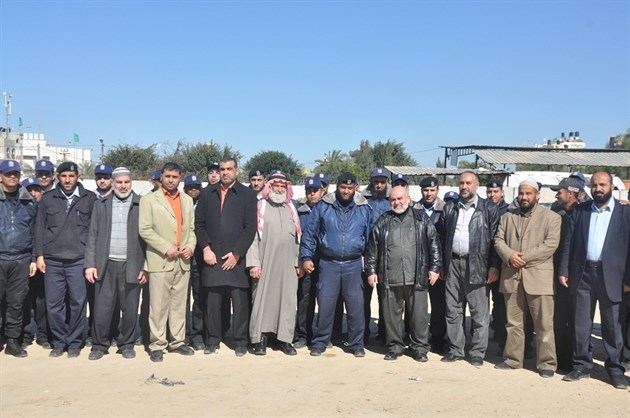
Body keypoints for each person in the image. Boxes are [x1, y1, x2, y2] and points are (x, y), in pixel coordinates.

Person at [559, 172, 630, 390]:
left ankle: (615, 369)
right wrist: (564, 270)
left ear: (612, 186)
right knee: (581, 324)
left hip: (613, 277)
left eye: (602, 185)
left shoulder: (625, 212)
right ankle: (581, 365)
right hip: (583, 274)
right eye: (594, 185)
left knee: (612, 325)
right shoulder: (580, 210)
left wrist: (628, 278)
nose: (598, 188)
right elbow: (569, 242)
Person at [364, 186, 442, 361]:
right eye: (393, 199)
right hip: (390, 277)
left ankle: (419, 347)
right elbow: (372, 248)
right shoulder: (383, 221)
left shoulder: (421, 219)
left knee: (419, 316)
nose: (396, 202)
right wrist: (371, 270)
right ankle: (395, 346)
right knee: (391, 317)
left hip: (416, 276)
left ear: (408, 199)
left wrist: (434, 268)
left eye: (400, 198)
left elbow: (434, 244)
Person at [301, 172, 373, 357]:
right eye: (343, 187)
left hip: (354, 264)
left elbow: (370, 239)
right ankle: (320, 342)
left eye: (350, 188)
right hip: (328, 263)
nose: (346, 191)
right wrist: (306, 257)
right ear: (337, 186)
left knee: (356, 306)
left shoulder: (364, 208)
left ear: (355, 187)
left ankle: (356, 344)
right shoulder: (324, 206)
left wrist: (371, 267)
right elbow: (310, 233)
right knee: (326, 305)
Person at [494, 180, 561, 378]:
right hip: (512, 277)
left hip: (539, 277)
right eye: (521, 193)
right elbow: (498, 240)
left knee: (544, 324)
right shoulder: (507, 217)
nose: (524, 197)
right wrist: (509, 255)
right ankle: (513, 359)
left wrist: (523, 258)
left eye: (528, 193)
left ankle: (547, 363)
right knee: (513, 323)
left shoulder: (552, 218)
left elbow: (550, 245)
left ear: (537, 195)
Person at [194, 157, 257, 357]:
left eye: (229, 169)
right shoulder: (207, 193)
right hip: (212, 257)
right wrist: (206, 249)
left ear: (237, 171)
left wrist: (237, 253)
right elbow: (199, 224)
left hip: (237, 258)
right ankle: (213, 340)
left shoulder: (247, 194)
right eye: (222, 169)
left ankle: (240, 341)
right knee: (212, 303)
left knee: (240, 304)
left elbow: (250, 227)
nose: (225, 172)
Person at [437, 171, 500, 366]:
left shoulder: (488, 208)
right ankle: (456, 350)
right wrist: (441, 264)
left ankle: (477, 353)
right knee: (453, 310)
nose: (464, 187)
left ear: (477, 185)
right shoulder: (450, 207)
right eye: (461, 183)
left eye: (468, 183)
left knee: (479, 312)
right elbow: (441, 238)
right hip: (453, 264)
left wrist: (494, 266)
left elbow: (495, 240)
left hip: (478, 265)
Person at [34, 161, 97, 358]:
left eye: (71, 176)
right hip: (52, 260)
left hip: (78, 260)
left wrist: (91, 260)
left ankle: (75, 342)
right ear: (57, 177)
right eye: (63, 176)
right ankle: (59, 342)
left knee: (78, 302)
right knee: (54, 304)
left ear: (78, 177)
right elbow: (39, 228)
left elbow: (94, 232)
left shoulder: (89, 198)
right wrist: (39, 255)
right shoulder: (48, 198)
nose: (67, 180)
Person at [84, 167, 147, 360]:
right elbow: (92, 235)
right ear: (112, 183)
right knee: (102, 309)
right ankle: (99, 345)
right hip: (106, 264)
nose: (123, 186)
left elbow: (148, 238)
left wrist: (145, 267)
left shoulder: (141, 204)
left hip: (132, 264)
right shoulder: (101, 205)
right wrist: (90, 264)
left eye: (127, 182)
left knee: (130, 309)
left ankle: (126, 344)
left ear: (131, 183)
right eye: (119, 182)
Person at [139, 162, 196, 362]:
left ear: (180, 178)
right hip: (161, 259)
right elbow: (145, 229)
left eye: (175, 177)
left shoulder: (187, 200)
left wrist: (190, 246)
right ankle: (157, 344)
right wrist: (166, 247)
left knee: (179, 305)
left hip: (182, 260)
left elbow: (191, 229)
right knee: (158, 306)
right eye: (167, 176)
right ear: (161, 177)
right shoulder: (149, 200)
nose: (171, 180)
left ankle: (177, 342)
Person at [247, 172, 302, 356]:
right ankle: (260, 339)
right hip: (265, 261)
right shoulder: (260, 207)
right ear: (269, 186)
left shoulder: (291, 208)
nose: (279, 189)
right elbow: (252, 237)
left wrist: (298, 261)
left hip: (288, 263)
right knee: (262, 298)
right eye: (276, 185)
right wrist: (254, 263)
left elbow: (298, 237)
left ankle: (284, 339)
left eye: (282, 186)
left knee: (287, 300)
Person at [0, 160, 38, 357]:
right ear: (1, 176)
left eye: (15, 173)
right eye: (8, 174)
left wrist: (33, 258)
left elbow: (35, 232)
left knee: (16, 303)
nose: (12, 177)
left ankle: (12, 341)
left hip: (21, 259)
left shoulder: (28, 201)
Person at [549, 177, 581, 372]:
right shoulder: (556, 213)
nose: (556, 196)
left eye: (559, 192)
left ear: (570, 194)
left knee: (577, 320)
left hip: (578, 275)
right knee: (559, 318)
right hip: (559, 274)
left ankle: (575, 360)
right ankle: (561, 359)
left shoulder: (584, 213)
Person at [415, 176, 448, 354]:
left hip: (438, 265)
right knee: (416, 304)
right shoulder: (414, 209)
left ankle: (437, 339)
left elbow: (448, 238)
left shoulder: (446, 209)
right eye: (426, 190)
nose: (429, 193)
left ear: (438, 190)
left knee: (438, 305)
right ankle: (415, 337)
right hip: (417, 264)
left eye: (432, 190)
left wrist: (441, 265)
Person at [294, 176, 325, 348]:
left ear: (322, 191)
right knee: (305, 300)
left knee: (326, 300)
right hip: (305, 261)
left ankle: (324, 335)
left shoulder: (329, 209)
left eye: (315, 190)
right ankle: (303, 335)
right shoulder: (298, 211)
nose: (312, 194)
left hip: (325, 261)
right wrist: (300, 260)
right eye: (309, 191)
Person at [19, 178, 50, 349]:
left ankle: (43, 334)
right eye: (29, 190)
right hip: (25, 260)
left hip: (44, 260)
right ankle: (27, 334)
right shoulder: (20, 209)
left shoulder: (46, 209)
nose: (33, 193)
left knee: (42, 299)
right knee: (26, 299)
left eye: (36, 190)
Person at [361, 167, 391, 344]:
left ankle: (384, 334)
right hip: (366, 255)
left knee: (386, 298)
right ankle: (363, 333)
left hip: (386, 256)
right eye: (376, 181)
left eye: (382, 181)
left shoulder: (392, 199)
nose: (379, 185)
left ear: (387, 182)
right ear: (371, 181)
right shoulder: (362, 200)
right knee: (363, 298)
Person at [485, 178, 510, 352]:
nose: (492, 195)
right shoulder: (482, 208)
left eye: (496, 191)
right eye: (489, 192)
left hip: (502, 264)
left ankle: (503, 342)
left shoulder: (508, 212)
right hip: (483, 263)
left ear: (502, 192)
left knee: (501, 304)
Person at [183, 174, 204, 350]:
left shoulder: (204, 205)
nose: (193, 190)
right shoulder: (180, 204)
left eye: (196, 187)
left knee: (199, 298)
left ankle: (197, 335)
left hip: (199, 258)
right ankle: (183, 334)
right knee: (181, 299)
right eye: (190, 188)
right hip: (182, 257)